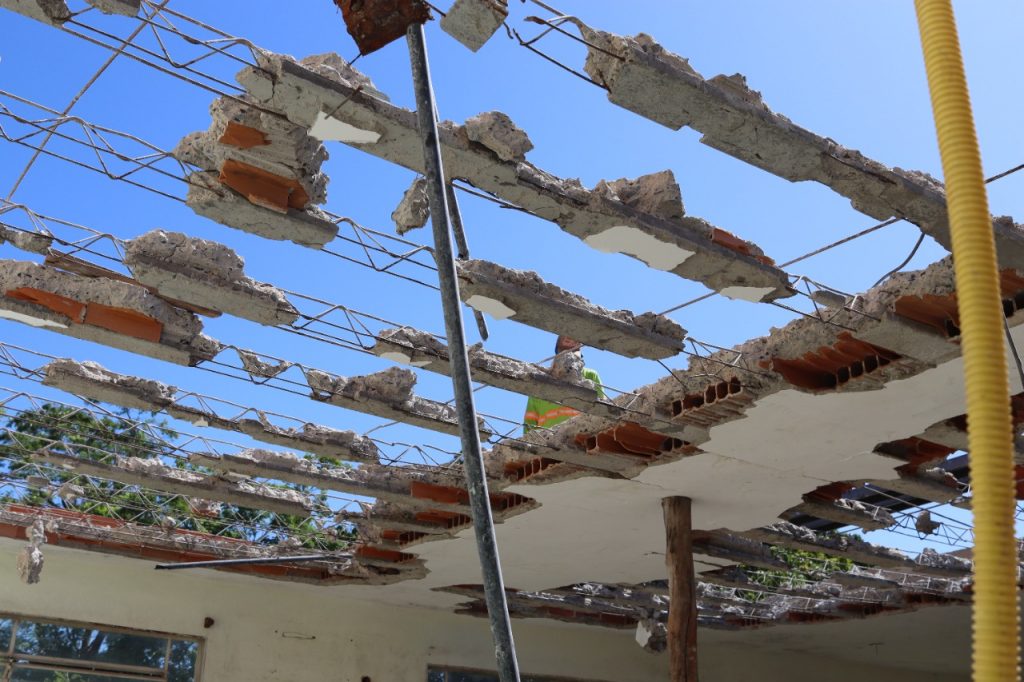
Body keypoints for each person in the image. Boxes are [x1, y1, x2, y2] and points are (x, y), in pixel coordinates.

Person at [523, 335, 604, 434]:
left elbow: (602, 413)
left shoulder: (590, 375)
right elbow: (529, 427)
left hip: (582, 437)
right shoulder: (540, 382)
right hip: (550, 442)